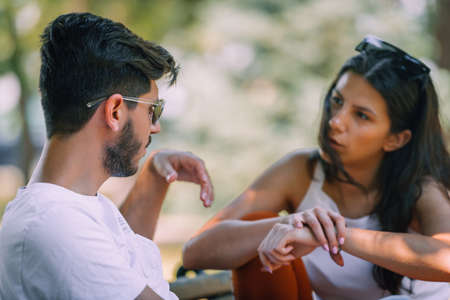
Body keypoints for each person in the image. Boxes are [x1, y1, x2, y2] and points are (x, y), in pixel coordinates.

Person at [183, 35, 450, 300]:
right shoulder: (301, 170)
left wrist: (332, 234)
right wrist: (287, 223)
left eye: (361, 115)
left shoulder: (421, 187)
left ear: (395, 139)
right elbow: (194, 252)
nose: (336, 121)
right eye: (337, 100)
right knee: (256, 228)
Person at [0, 13, 214, 300]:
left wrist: (153, 176)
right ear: (114, 111)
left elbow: (125, 266)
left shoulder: (71, 209)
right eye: (153, 110)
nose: (156, 127)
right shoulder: (57, 225)